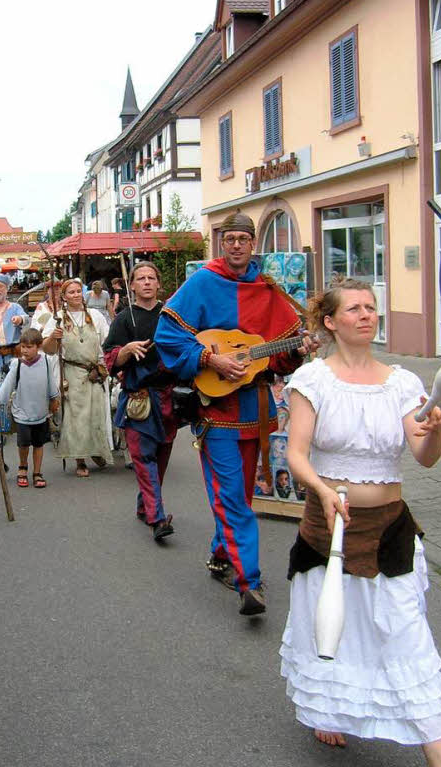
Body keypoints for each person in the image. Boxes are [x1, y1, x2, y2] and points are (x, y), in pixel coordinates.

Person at [280, 277, 441, 766]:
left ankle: (438, 755)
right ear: (330, 322)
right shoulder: (312, 380)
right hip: (327, 523)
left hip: (388, 527)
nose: (366, 314)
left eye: (371, 307)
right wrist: (320, 490)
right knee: (333, 627)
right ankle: (329, 709)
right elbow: (296, 453)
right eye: (354, 308)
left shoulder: (402, 383)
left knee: (404, 630)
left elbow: (424, 455)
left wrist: (436, 434)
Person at [155, 211, 317, 616]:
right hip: (216, 412)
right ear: (221, 243)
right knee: (233, 499)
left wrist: (295, 352)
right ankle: (251, 582)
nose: (237, 245)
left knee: (239, 496)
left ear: (253, 243)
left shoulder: (268, 288)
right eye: (230, 239)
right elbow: (168, 335)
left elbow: (278, 358)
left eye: (244, 238)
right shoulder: (203, 282)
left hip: (257, 410)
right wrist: (210, 360)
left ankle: (220, 556)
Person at [103, 261, 178, 541]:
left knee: (160, 458)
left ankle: (143, 504)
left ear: (159, 283)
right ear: (131, 285)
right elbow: (109, 358)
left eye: (151, 278)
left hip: (169, 399)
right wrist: (126, 350)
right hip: (139, 399)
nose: (146, 282)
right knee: (144, 459)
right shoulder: (124, 318)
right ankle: (157, 518)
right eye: (140, 278)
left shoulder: (171, 315)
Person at [41, 278, 113, 477]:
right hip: (72, 374)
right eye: (71, 292)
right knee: (77, 418)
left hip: (94, 372)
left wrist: (106, 365)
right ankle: (80, 459)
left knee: (97, 413)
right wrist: (52, 337)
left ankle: (97, 450)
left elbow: (107, 341)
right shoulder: (56, 318)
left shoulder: (95, 315)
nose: (75, 295)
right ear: (63, 297)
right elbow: (47, 350)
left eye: (78, 291)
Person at [0, 328, 60, 489]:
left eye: (29, 347)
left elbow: (51, 383)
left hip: (41, 413)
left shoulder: (46, 362)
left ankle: (37, 472)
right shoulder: (16, 364)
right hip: (22, 412)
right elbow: (7, 387)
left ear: (38, 346)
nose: (24, 350)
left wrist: (54, 399)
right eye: (23, 346)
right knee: (23, 444)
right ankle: (23, 468)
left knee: (39, 444)